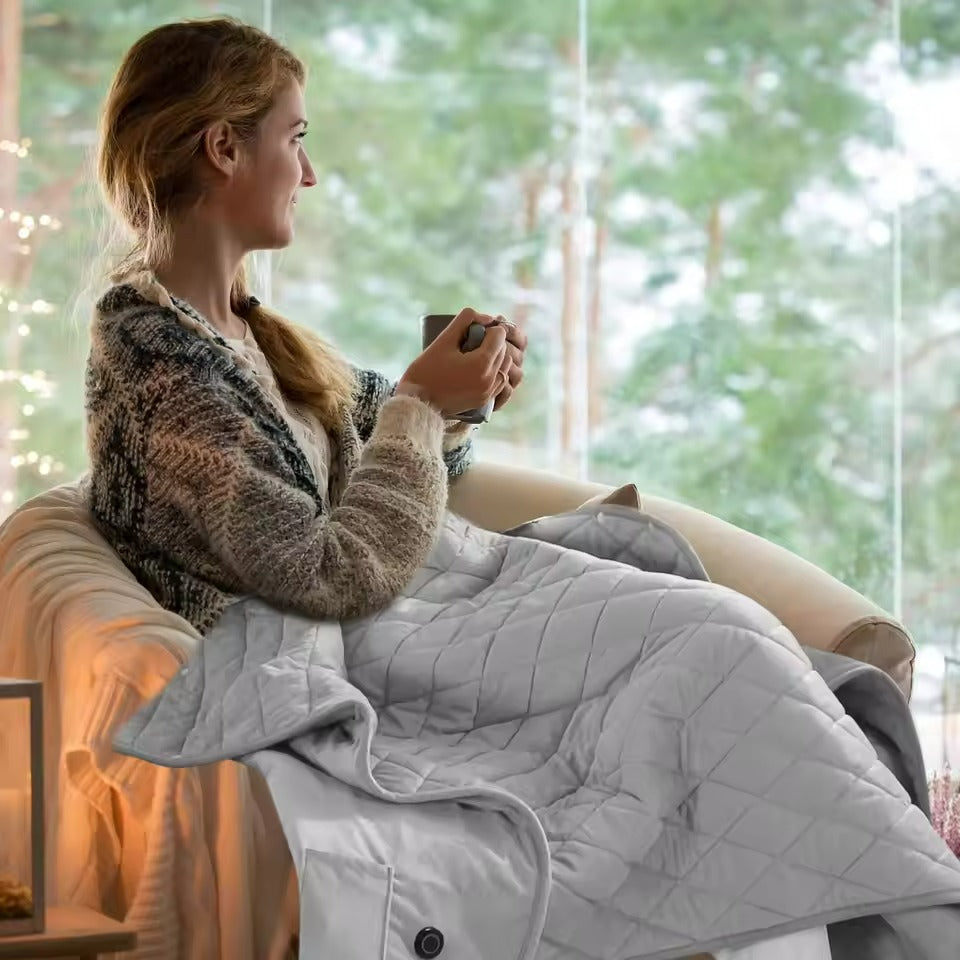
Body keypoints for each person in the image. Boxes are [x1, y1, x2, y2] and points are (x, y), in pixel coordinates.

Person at [84, 17, 527, 635]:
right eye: (295, 139)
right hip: (318, 657)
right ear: (223, 149)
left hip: (398, 625)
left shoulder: (249, 337)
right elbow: (333, 575)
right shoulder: (165, 376)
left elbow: (404, 461)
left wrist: (456, 405)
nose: (309, 173)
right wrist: (422, 402)